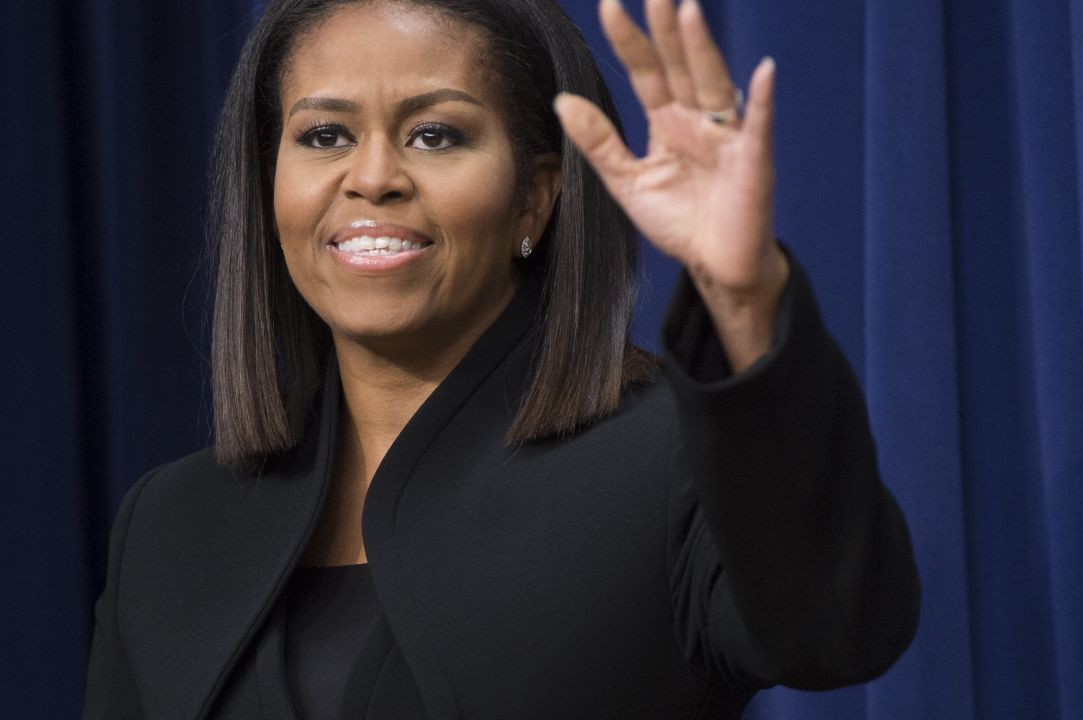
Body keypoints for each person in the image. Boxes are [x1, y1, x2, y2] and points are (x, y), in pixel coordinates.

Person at [82, 0, 920, 717]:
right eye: (325, 134)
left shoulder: (672, 462)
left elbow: (836, 631)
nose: (372, 177)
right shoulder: (168, 522)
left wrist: (741, 294)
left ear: (536, 195)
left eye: (436, 135)